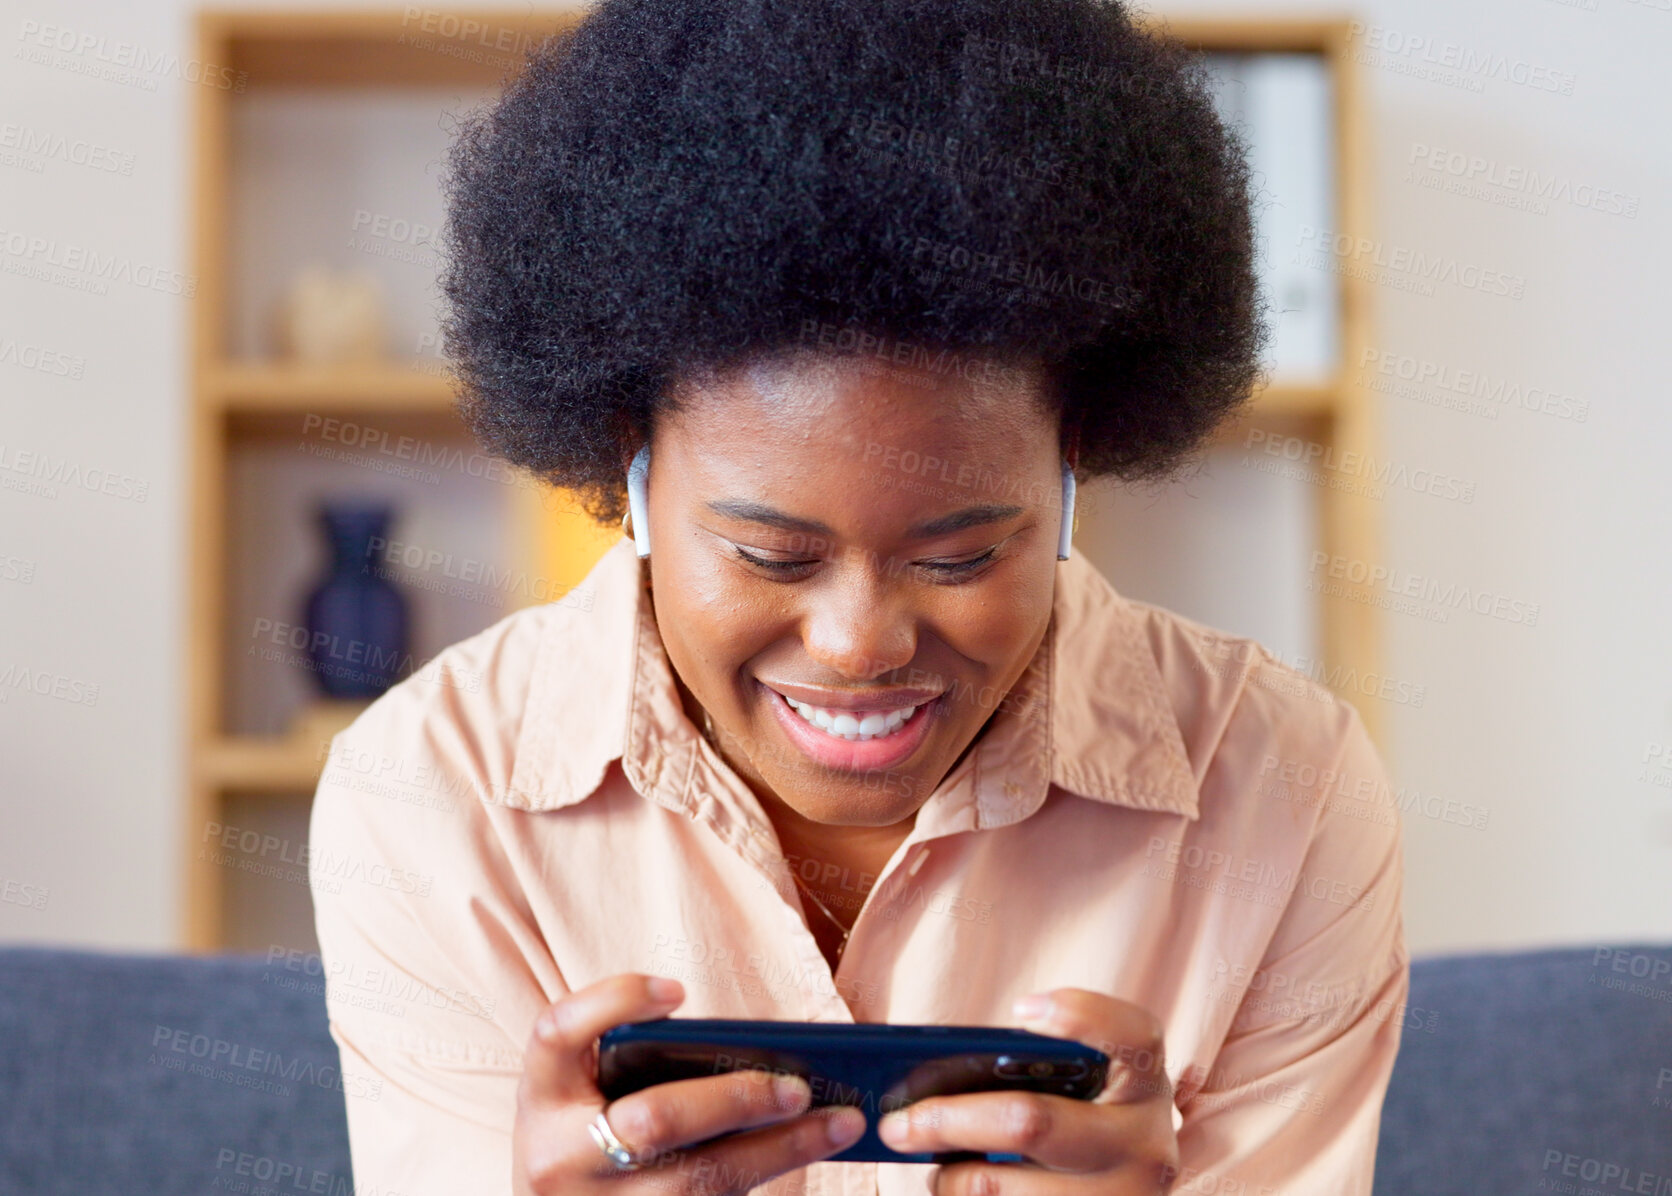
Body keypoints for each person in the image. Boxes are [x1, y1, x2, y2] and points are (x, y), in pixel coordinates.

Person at [307, 0, 1409, 1193]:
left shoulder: (1282, 792)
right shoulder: (432, 796)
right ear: (629, 457)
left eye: (960, 556)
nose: (859, 643)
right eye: (771, 556)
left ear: (1073, 457)